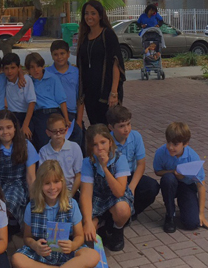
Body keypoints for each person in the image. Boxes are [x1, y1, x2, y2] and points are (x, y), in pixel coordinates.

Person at [12, 160, 99, 268]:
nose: (53, 187)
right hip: (43, 253)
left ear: (62, 182)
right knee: (17, 260)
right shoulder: (32, 206)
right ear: (40, 185)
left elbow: (79, 236)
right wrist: (35, 245)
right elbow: (27, 237)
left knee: (94, 256)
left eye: (56, 182)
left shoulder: (72, 204)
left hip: (66, 252)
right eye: (47, 183)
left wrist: (73, 245)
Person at [0, 110, 39, 229]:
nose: (5, 132)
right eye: (0, 128)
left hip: (17, 183)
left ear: (15, 128)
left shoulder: (26, 145)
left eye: (9, 127)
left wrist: (34, 203)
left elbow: (31, 177)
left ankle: (6, 228)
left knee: (8, 203)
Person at [79, 124, 132, 252]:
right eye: (95, 145)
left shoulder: (119, 158)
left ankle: (117, 230)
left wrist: (104, 168)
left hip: (114, 196)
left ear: (110, 142)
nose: (100, 148)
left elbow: (119, 192)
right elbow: (86, 194)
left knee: (122, 209)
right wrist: (87, 222)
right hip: (97, 198)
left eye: (103, 142)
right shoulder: (88, 162)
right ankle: (100, 222)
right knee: (84, 231)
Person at [154, 122, 208, 233]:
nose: (170, 147)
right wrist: (173, 172)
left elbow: (201, 185)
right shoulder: (161, 152)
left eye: (175, 144)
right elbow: (157, 171)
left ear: (185, 143)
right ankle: (170, 215)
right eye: (168, 142)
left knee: (192, 223)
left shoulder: (193, 156)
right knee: (168, 179)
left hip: (187, 186)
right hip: (171, 183)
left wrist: (201, 214)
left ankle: (186, 206)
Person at [76, 0, 125, 125]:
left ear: (100, 16)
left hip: (107, 92)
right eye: (86, 13)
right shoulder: (83, 37)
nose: (89, 17)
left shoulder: (107, 34)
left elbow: (116, 63)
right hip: (90, 93)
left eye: (93, 13)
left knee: (110, 128)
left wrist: (114, 92)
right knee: (96, 127)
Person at [107, 106, 159, 219]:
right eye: (121, 126)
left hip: (131, 175)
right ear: (111, 127)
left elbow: (141, 164)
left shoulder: (136, 136)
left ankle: (132, 212)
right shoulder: (107, 141)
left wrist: (132, 187)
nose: (126, 129)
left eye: (128, 124)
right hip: (115, 178)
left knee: (152, 187)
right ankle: (114, 216)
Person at [25, 52, 69, 152]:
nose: (36, 70)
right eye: (32, 67)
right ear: (28, 69)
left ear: (43, 66)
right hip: (39, 115)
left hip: (55, 112)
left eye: (38, 66)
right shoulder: (28, 81)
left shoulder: (53, 78)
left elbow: (62, 100)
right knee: (42, 140)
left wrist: (66, 119)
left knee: (69, 135)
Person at [45, 40, 84, 149]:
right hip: (53, 113)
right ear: (52, 56)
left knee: (76, 143)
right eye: (56, 54)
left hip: (72, 114)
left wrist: (79, 121)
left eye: (62, 53)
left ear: (68, 54)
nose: (59, 57)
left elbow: (80, 97)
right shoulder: (46, 73)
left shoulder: (76, 72)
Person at [38, 114, 83, 199]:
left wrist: (70, 196)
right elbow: (42, 177)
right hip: (51, 191)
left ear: (66, 130)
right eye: (54, 131)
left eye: (61, 130)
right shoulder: (43, 151)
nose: (58, 134)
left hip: (71, 190)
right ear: (48, 133)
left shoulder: (74, 147)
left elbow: (79, 175)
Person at [3, 53, 36, 140]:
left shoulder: (25, 80)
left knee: (25, 139)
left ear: (18, 68)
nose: (9, 71)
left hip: (25, 116)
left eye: (13, 68)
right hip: (11, 116)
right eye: (6, 68)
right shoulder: (4, 80)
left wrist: (25, 125)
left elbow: (32, 102)